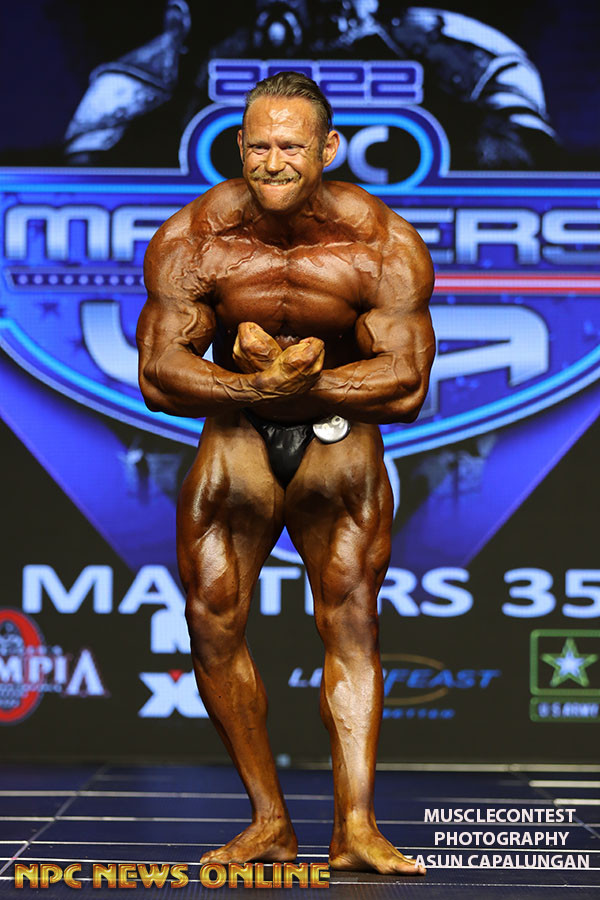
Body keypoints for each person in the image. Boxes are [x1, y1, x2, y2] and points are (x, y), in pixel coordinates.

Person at [137, 71, 435, 875]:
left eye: (292, 147)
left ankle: (357, 827)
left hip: (340, 441)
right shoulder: (194, 236)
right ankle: (269, 820)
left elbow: (407, 384)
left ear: (328, 148)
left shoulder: (382, 242)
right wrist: (258, 390)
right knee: (211, 621)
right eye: (259, 146)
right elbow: (159, 374)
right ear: (239, 146)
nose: (273, 162)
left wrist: (305, 383)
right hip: (238, 436)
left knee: (353, 621)